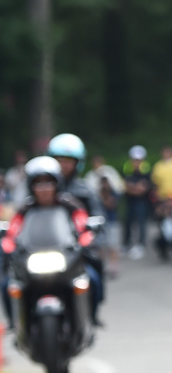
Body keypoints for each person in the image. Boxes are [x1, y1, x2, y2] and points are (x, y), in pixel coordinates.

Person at [2, 157, 97, 327]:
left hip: (65, 257)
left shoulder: (69, 205)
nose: (44, 189)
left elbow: (82, 225)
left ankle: (92, 318)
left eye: (48, 183)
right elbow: (12, 231)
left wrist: (85, 239)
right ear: (32, 186)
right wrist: (8, 245)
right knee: (7, 284)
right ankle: (14, 324)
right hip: (31, 258)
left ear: (56, 184)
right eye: (39, 184)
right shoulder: (25, 209)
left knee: (93, 278)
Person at [46, 133, 105, 324]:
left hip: (74, 248)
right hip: (43, 246)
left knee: (94, 277)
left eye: (69, 160)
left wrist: (93, 234)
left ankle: (92, 314)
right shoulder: (39, 187)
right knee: (11, 281)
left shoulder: (84, 190)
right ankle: (18, 321)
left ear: (77, 163)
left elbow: (97, 216)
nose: (64, 164)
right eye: (59, 160)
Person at [123, 146, 153, 259]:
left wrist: (133, 188)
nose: (136, 162)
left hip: (142, 201)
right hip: (130, 200)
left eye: (138, 160)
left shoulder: (146, 170)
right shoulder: (127, 169)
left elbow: (143, 189)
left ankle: (141, 244)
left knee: (141, 222)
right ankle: (127, 244)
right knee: (127, 222)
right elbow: (124, 185)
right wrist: (134, 188)